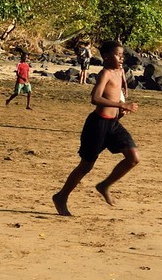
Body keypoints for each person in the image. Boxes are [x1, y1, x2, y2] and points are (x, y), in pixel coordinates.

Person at [53, 40, 140, 216]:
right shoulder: (105, 73)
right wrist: (121, 105)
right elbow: (95, 98)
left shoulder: (120, 71)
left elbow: (121, 91)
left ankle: (104, 185)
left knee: (133, 158)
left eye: (123, 55)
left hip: (113, 124)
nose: (121, 58)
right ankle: (61, 197)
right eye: (118, 55)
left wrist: (121, 108)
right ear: (107, 56)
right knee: (86, 166)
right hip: (97, 124)